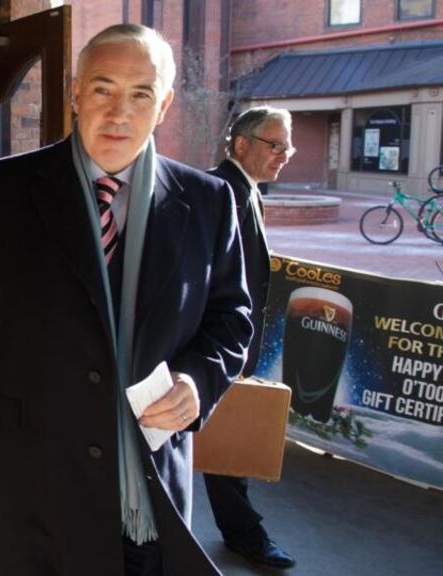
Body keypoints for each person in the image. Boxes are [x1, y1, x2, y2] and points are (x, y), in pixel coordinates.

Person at [0, 24, 252, 575]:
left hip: (148, 476)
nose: (119, 112)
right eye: (103, 89)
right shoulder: (3, 190)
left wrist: (198, 380)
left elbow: (231, 316)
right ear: (75, 93)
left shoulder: (210, 202)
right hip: (39, 469)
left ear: (163, 104)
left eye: (141, 93)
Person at [204, 106, 296, 569]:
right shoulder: (219, 190)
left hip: (228, 346)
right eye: (275, 144)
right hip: (213, 349)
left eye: (288, 146)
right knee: (224, 450)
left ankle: (241, 533)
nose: (284, 154)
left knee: (220, 448)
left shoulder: (246, 189)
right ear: (241, 144)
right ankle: (245, 535)